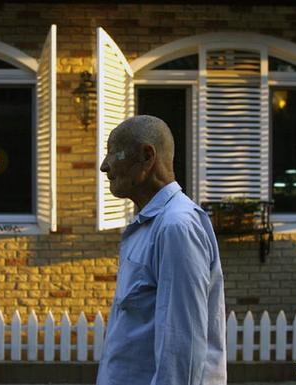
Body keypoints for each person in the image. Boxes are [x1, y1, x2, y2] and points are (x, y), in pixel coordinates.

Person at [96, 115, 226, 385]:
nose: (104, 166)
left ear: (146, 156)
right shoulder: (153, 224)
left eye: (113, 154)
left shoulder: (175, 226)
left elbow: (183, 346)